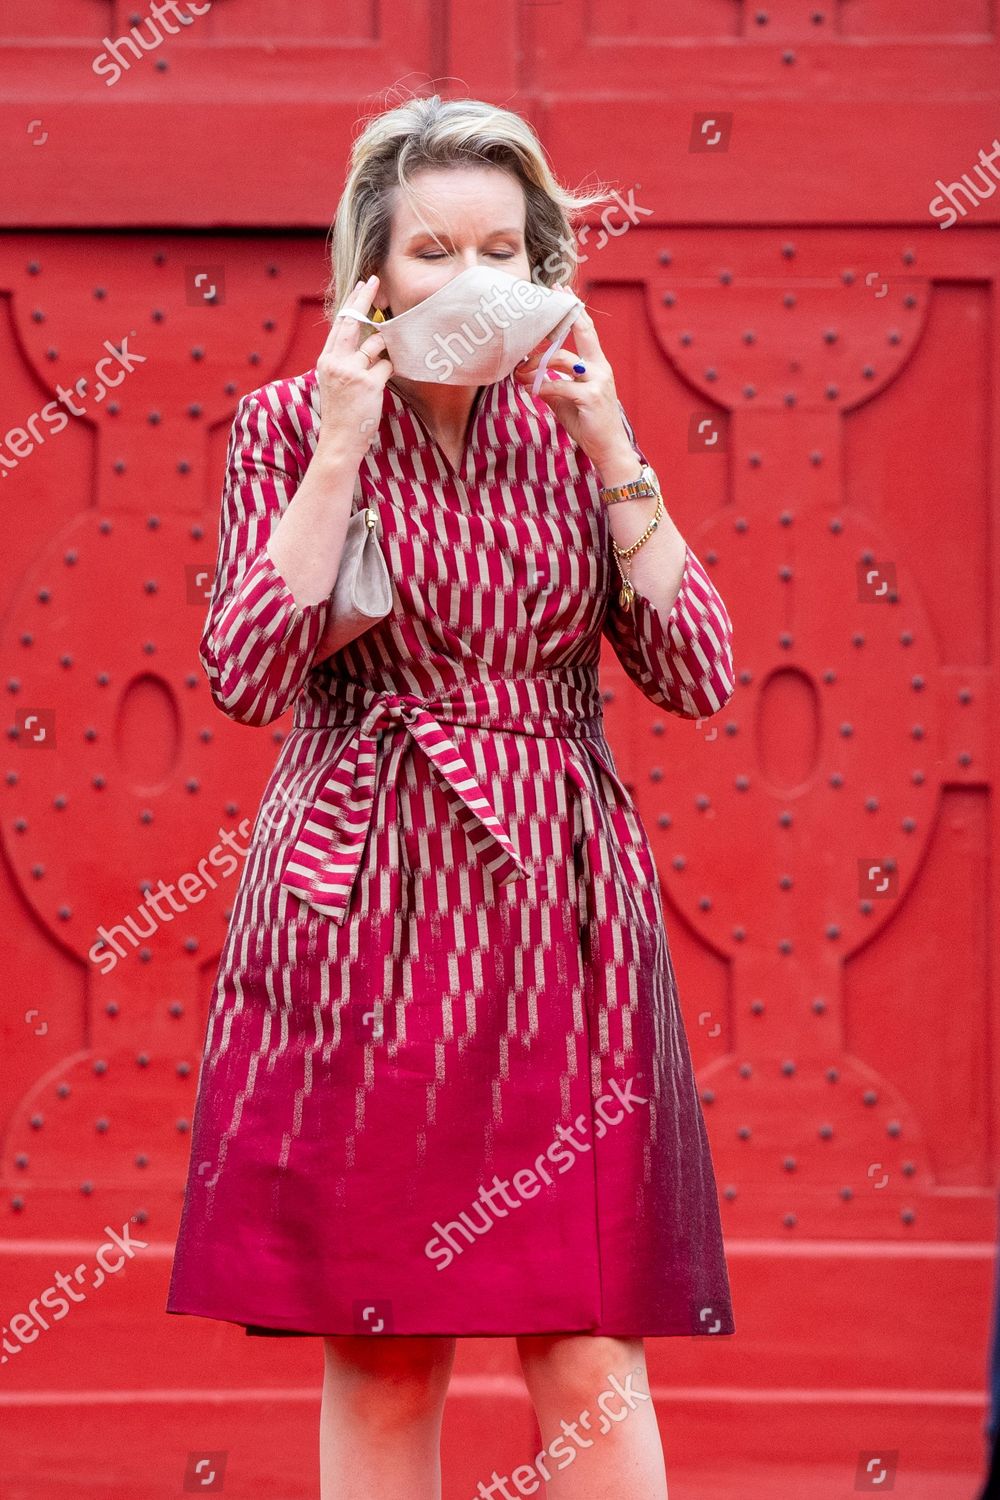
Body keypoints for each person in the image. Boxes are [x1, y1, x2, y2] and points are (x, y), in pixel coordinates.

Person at [166, 93, 737, 1500]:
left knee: (588, 1337)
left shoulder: (573, 429)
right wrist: (342, 444)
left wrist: (615, 448)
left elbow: (700, 668)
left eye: (501, 250)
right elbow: (244, 671)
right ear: (372, 265)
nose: (467, 282)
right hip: (365, 895)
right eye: (432, 250)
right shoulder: (287, 423)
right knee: (384, 1344)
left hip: (562, 899)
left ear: (543, 269)